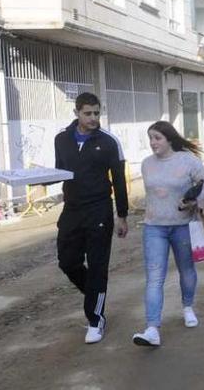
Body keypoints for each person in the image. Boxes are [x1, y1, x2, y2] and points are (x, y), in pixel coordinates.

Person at [54, 92, 128, 344]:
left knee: (97, 266)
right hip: (72, 211)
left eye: (97, 113)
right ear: (76, 113)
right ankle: (95, 294)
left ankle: (95, 319)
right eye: (88, 113)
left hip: (99, 210)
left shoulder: (108, 142)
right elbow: (61, 171)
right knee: (67, 261)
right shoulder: (61, 139)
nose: (93, 118)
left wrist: (122, 215)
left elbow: (119, 180)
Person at [132, 121, 204, 347]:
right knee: (154, 277)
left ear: (169, 139)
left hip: (183, 226)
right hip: (153, 227)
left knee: (186, 269)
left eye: (157, 138)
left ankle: (187, 307)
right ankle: (152, 329)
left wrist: (195, 202)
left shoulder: (188, 160)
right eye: (150, 138)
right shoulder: (147, 164)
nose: (153, 143)